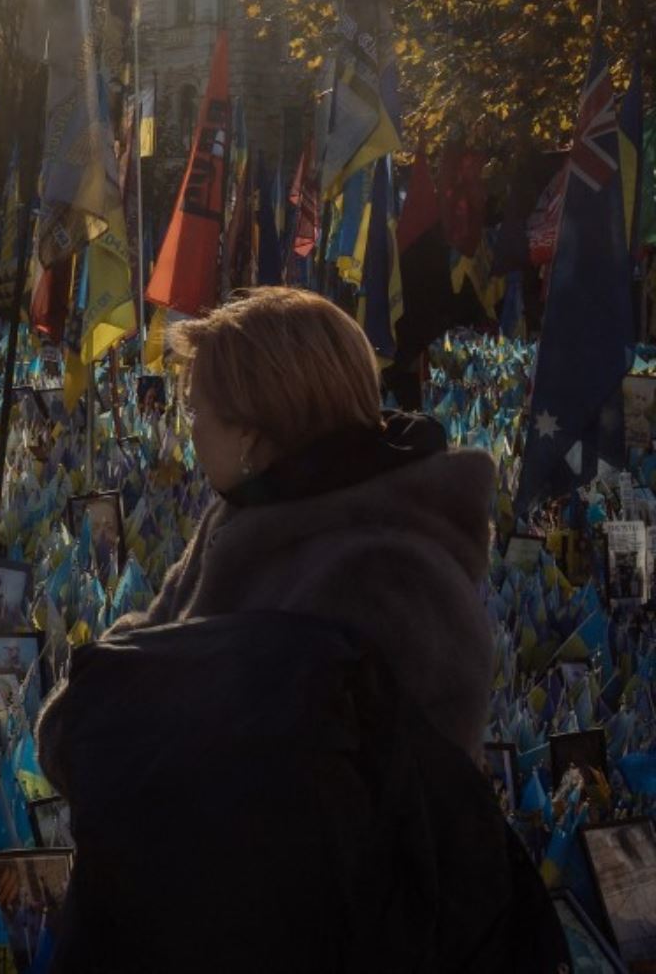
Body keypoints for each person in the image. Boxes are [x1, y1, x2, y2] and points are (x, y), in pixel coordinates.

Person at [35, 286, 565, 970]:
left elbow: (355, 816)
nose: (188, 426)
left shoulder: (385, 572)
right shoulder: (247, 519)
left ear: (253, 432)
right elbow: (142, 661)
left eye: (198, 408)